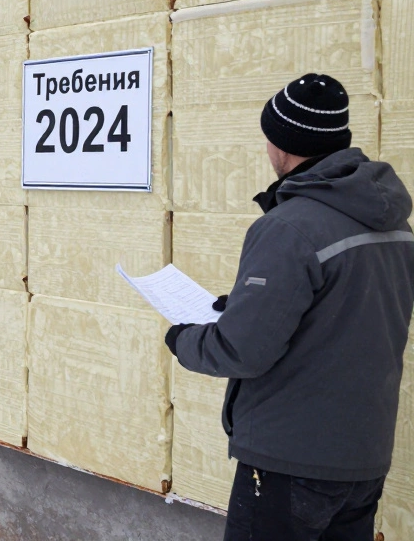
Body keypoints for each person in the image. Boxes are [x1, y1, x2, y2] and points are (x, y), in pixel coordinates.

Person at [167, 74, 414, 541]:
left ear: (281, 143)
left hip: (290, 463)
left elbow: (242, 350)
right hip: (363, 457)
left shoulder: (290, 227)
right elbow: (345, 314)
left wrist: (185, 339)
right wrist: (246, 305)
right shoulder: (396, 224)